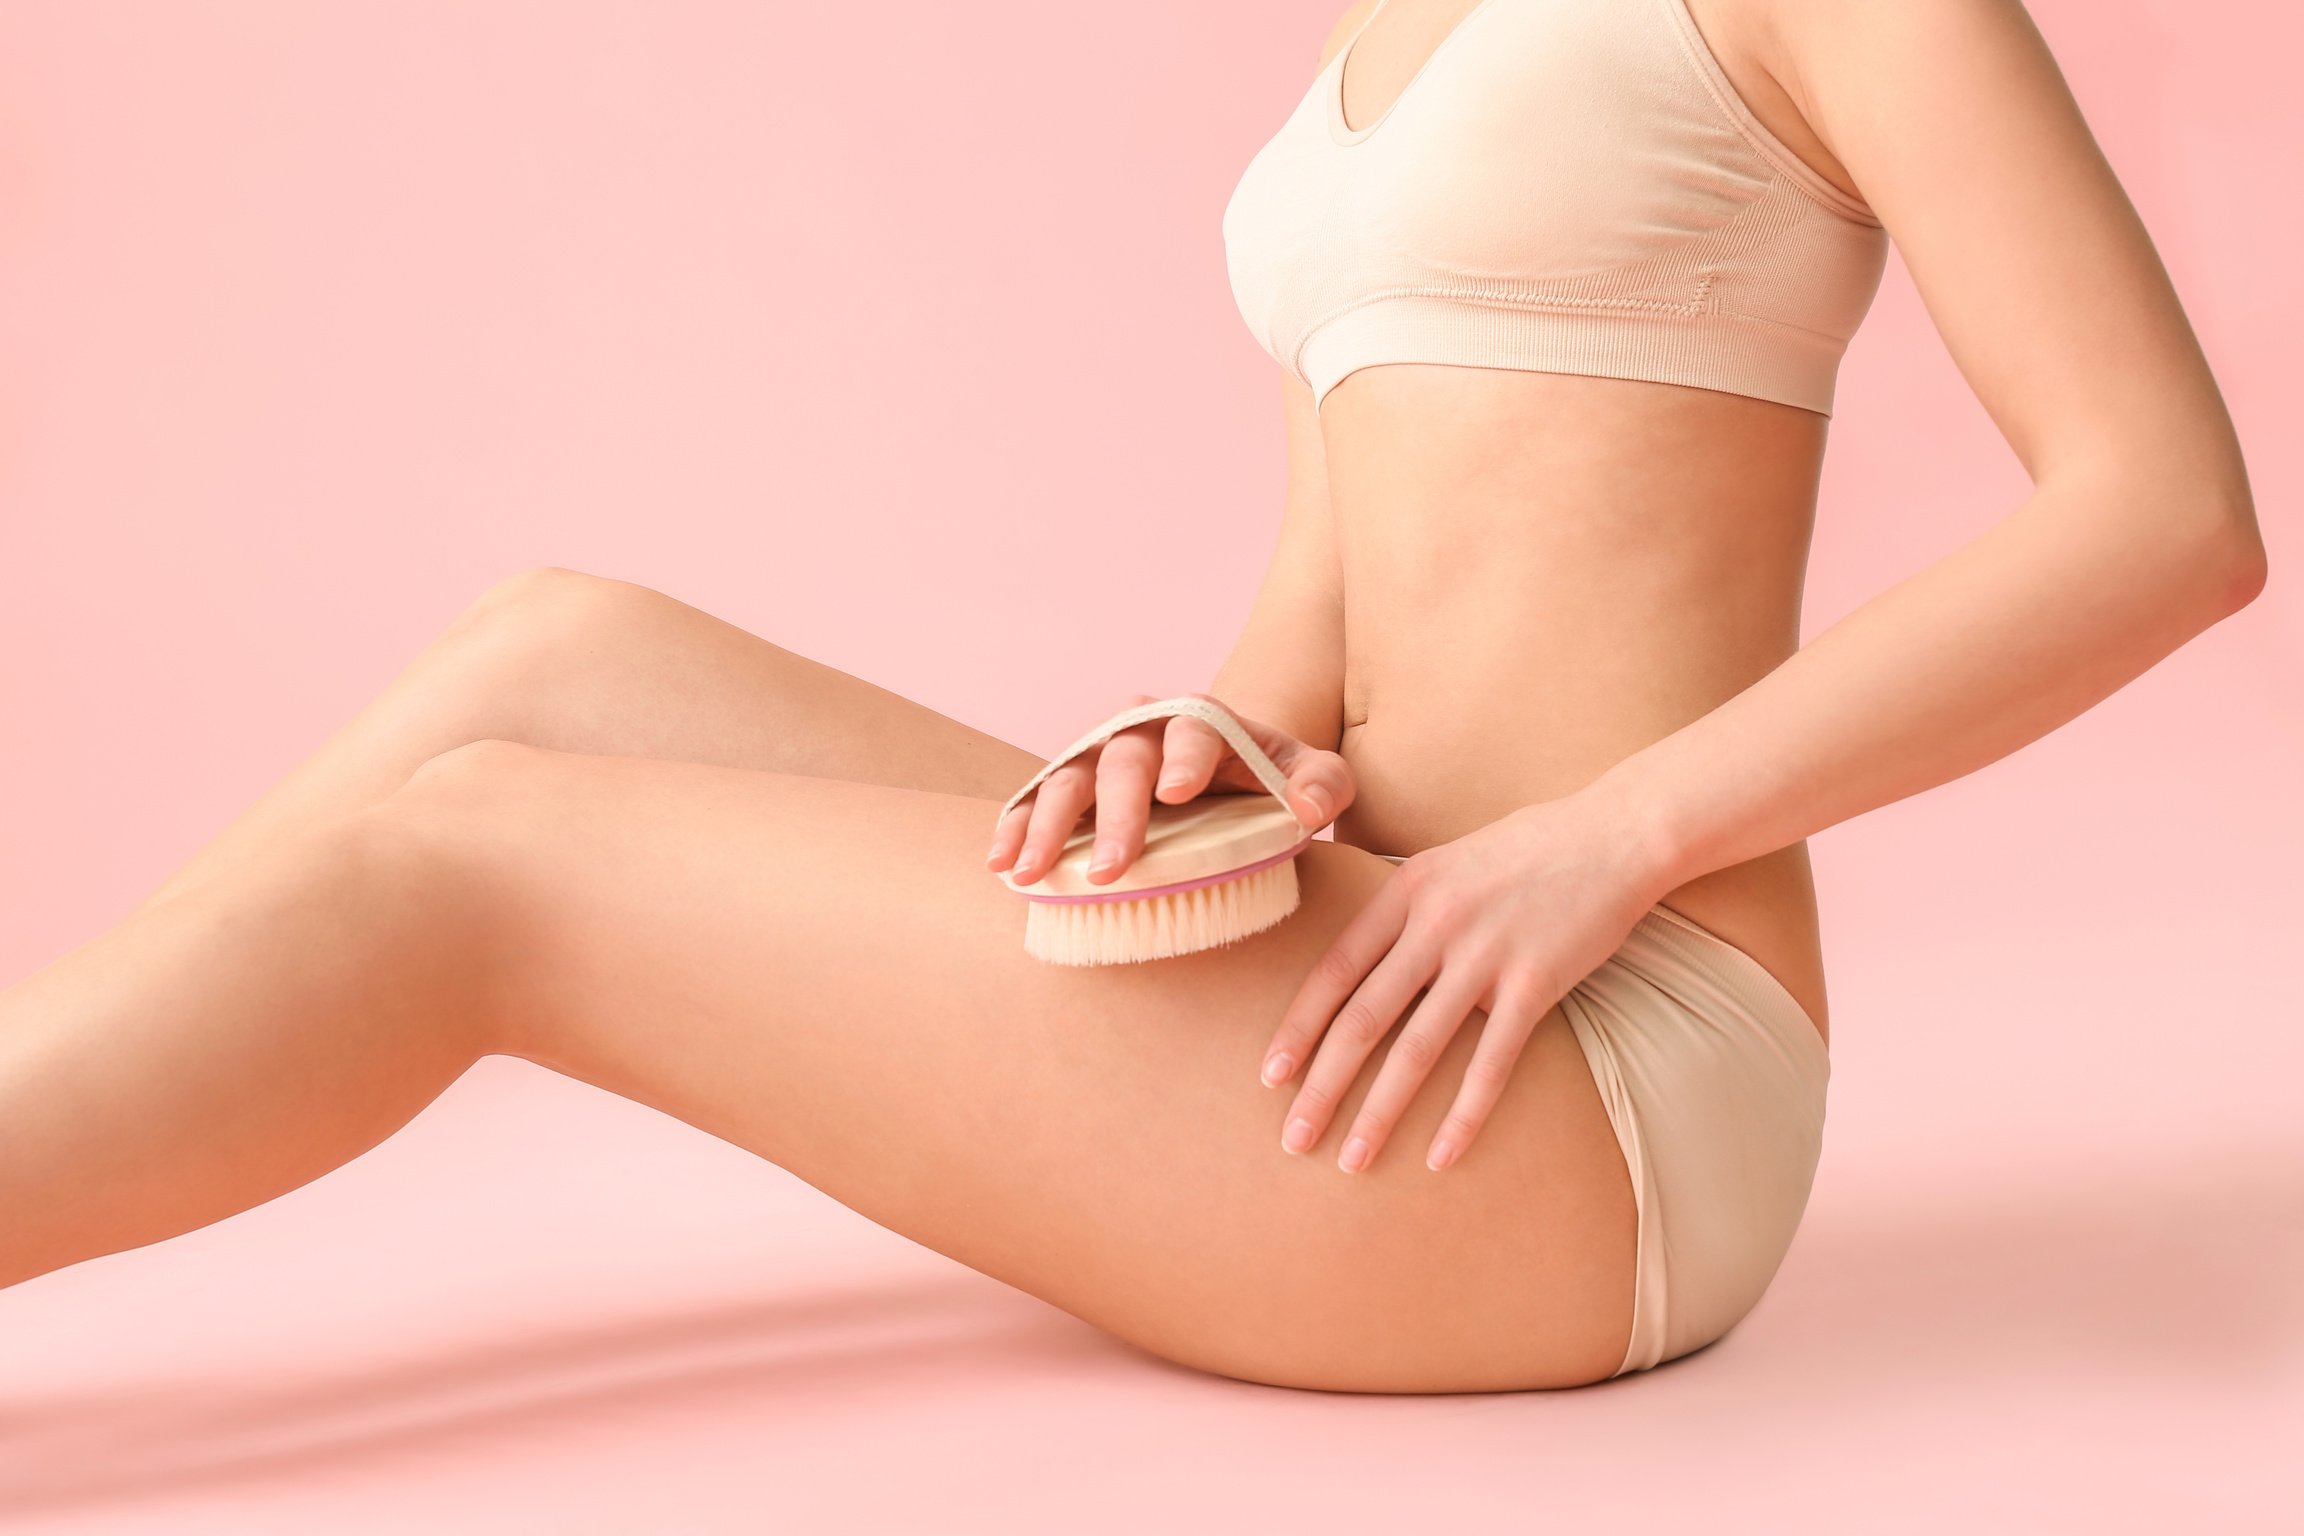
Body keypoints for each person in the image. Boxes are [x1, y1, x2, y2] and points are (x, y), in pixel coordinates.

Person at [0, 0, 2264, 1391]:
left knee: (483, 854)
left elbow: (2169, 515)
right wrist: (1221, 739)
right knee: (557, 649)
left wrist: (1606, 841)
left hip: (1586, 1083)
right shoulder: (1399, 34)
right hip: (1366, 944)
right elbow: (1339, 594)